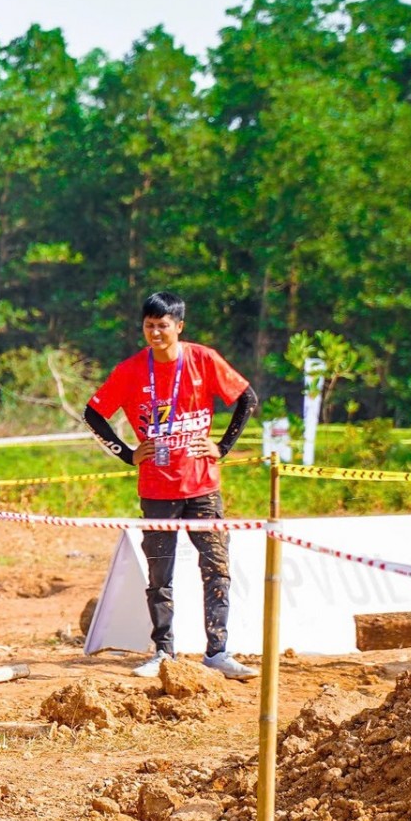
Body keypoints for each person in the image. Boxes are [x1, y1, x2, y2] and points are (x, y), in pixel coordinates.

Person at [83, 292, 259, 681]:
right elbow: (92, 413)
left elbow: (247, 398)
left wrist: (222, 447)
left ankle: (218, 652)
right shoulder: (131, 370)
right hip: (157, 490)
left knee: (216, 568)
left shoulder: (203, 359)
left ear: (179, 326)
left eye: (164, 325)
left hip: (202, 487)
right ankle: (163, 651)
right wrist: (128, 453)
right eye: (149, 325)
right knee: (159, 574)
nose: (156, 332)